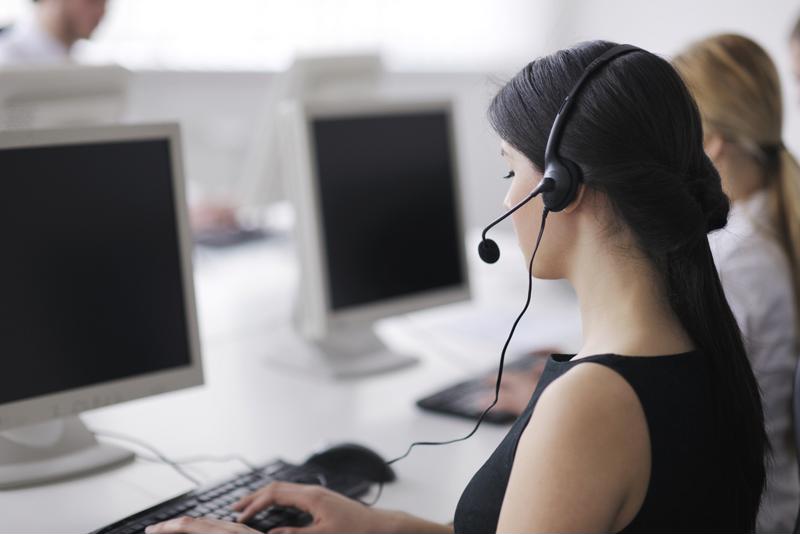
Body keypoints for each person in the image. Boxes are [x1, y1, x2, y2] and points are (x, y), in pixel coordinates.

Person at [145, 40, 767, 533]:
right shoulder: (693, 346)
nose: (504, 198)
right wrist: (383, 527)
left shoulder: (594, 405)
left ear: (562, 187)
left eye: (510, 169)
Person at [672, 34, 800, 533]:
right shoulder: (772, 221)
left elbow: (677, 413)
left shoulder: (738, 261)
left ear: (711, 142)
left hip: (745, 514)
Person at [0, 0, 107, 65]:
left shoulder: (90, 59)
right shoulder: (6, 57)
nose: (101, 12)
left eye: (105, 2)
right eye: (92, 1)